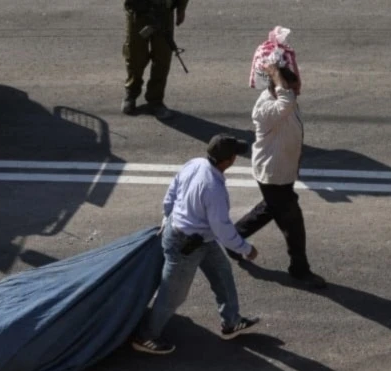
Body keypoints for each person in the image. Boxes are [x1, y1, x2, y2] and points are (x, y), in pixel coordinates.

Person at [130, 134, 261, 354]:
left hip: (196, 237)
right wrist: (246, 249)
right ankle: (146, 337)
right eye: (235, 155)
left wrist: (167, 215)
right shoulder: (214, 188)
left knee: (222, 275)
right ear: (228, 161)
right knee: (173, 294)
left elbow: (172, 189)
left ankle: (231, 321)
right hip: (186, 245)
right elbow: (222, 228)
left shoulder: (195, 163)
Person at [229, 63, 325, 289]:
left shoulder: (286, 100)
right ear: (279, 88)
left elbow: (294, 128)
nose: (298, 91)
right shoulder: (266, 108)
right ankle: (299, 270)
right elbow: (286, 102)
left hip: (283, 171)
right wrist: (275, 74)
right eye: (293, 87)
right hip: (272, 174)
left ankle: (232, 239)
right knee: (293, 223)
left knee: (269, 209)